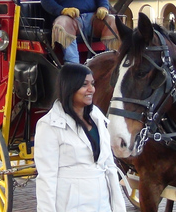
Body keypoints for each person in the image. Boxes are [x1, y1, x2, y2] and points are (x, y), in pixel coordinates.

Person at [34, 63, 126, 212]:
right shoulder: (49, 125)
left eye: (92, 84)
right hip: (71, 205)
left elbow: (109, 167)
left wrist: (118, 207)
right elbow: (47, 178)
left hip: (102, 202)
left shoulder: (98, 117)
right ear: (70, 87)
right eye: (84, 85)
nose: (91, 89)